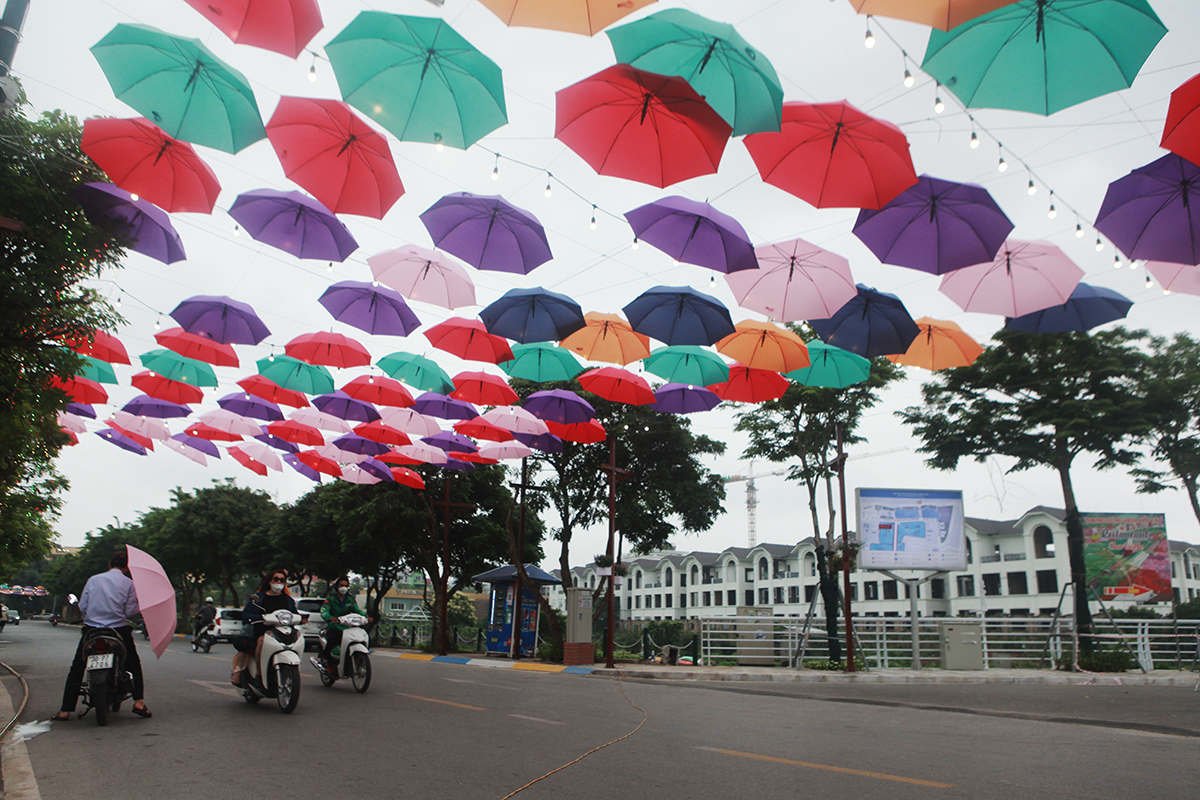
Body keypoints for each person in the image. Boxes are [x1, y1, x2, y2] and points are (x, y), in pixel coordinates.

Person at [52, 549, 150, 721]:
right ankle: (139, 702)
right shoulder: (129, 584)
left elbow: (83, 607)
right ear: (126, 568)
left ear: (109, 564)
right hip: (118, 630)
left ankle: (65, 710)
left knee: (77, 667)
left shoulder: (93, 580)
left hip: (92, 630)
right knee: (133, 663)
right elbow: (129, 612)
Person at [231, 569, 297, 686]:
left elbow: (295, 614)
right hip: (262, 630)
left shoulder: (288, 600)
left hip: (282, 631)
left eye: (282, 580)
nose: (278, 582)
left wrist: (302, 618)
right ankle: (259, 675)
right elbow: (247, 614)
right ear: (270, 581)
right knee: (261, 641)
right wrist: (259, 617)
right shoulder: (259, 598)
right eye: (276, 579)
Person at [314, 577, 370, 674]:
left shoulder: (350, 600)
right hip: (334, 627)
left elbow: (357, 610)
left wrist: (366, 617)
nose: (344, 588)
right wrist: (330, 617)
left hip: (347, 628)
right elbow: (324, 611)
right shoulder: (331, 599)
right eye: (341, 585)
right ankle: (328, 662)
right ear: (337, 587)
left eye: (346, 586)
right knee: (332, 640)